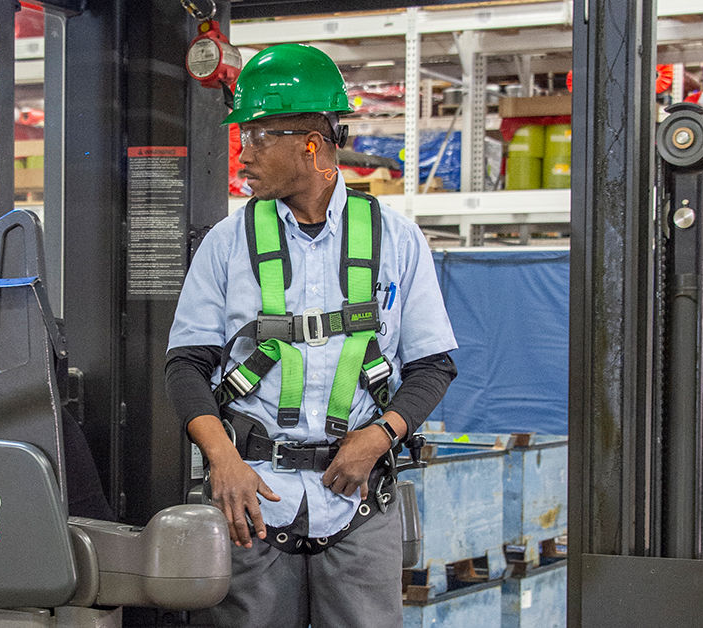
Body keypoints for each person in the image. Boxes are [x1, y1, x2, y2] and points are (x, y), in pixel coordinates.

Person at [165, 43, 458, 627]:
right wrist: (221, 459)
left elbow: (433, 366)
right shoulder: (228, 243)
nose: (242, 153)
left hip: (357, 507)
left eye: (256, 136)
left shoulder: (395, 240)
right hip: (251, 503)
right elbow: (185, 365)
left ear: (311, 143)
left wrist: (378, 438)